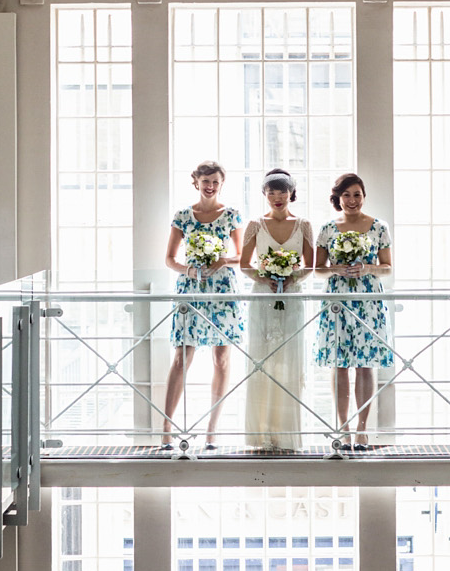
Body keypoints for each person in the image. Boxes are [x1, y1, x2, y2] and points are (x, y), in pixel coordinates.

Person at [161, 161, 243, 451]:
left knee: (221, 359)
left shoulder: (231, 215)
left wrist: (222, 259)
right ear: (195, 181)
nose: (210, 186)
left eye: (215, 182)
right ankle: (166, 430)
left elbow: (243, 257)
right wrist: (189, 270)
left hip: (223, 290)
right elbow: (170, 260)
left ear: (222, 184)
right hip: (191, 290)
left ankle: (212, 431)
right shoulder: (183, 215)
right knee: (182, 358)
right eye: (205, 181)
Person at [314, 172, 393, 450]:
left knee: (365, 363)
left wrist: (367, 268)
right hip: (337, 301)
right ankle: (343, 428)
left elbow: (387, 267)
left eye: (357, 194)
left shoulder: (379, 226)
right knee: (339, 363)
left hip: (368, 299)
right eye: (346, 195)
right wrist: (337, 269)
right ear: (338, 198)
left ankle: (362, 430)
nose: (352, 200)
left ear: (364, 195)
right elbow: (318, 269)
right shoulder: (327, 228)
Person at [240, 168, 314, 451]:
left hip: (292, 296)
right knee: (261, 359)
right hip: (262, 297)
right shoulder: (255, 225)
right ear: (264, 194)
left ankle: (286, 436)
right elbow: (245, 264)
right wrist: (264, 277)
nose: (277, 197)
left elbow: (311, 265)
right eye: (271, 191)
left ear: (291, 194)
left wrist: (292, 276)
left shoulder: (304, 224)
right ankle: (260, 436)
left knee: (289, 360)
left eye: (282, 191)